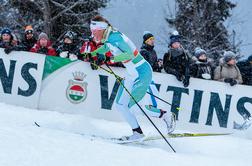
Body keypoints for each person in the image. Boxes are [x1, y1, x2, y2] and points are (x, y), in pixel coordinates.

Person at [89, 15, 175, 142]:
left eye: (94, 31)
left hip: (142, 72)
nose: (92, 34)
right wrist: (93, 54)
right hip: (131, 74)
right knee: (120, 105)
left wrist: (108, 59)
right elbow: (108, 47)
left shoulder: (115, 37)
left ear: (101, 29)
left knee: (134, 107)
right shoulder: (109, 37)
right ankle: (137, 133)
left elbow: (128, 54)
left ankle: (166, 115)